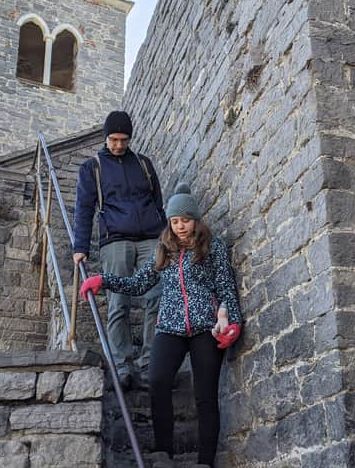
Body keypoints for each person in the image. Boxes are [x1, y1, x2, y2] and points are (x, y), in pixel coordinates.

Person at [81, 183, 242, 468]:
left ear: (196, 220)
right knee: (157, 382)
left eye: (186, 220)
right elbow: (138, 283)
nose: (181, 226)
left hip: (206, 327)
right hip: (169, 327)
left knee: (205, 396)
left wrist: (234, 325)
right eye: (175, 221)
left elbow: (226, 288)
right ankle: (163, 452)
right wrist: (103, 280)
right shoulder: (164, 250)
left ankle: (205, 462)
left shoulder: (212, 246)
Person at [73, 110, 166, 390]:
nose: (118, 145)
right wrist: (80, 246)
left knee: (157, 298)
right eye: (113, 139)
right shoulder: (92, 167)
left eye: (123, 139)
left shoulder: (144, 164)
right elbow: (84, 208)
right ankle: (123, 366)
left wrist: (165, 237)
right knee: (119, 304)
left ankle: (151, 364)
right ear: (105, 137)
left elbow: (157, 202)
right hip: (115, 241)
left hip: (151, 238)